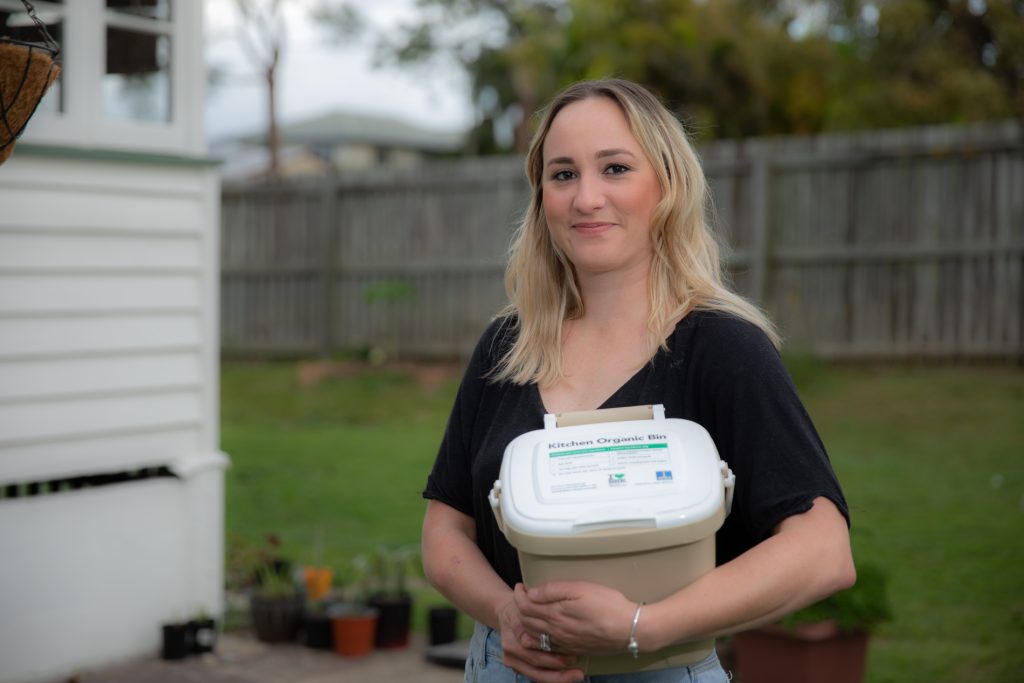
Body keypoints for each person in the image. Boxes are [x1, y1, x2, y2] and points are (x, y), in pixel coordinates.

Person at [421, 78, 854, 683]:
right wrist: (506, 613)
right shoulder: (506, 347)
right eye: (563, 174)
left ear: (667, 186)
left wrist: (641, 628)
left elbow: (823, 551)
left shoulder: (723, 349)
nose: (586, 198)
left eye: (616, 168)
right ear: (540, 195)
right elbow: (445, 529)